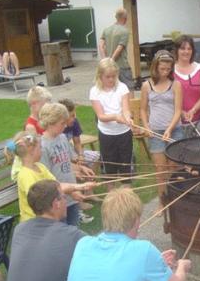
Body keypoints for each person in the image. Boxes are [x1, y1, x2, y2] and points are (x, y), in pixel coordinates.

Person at [62, 187, 192, 281]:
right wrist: (181, 266)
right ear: (136, 220)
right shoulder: (144, 250)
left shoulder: (83, 244)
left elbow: (113, 270)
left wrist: (157, 263)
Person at [0, 180, 86, 281]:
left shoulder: (19, 229)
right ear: (56, 204)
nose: (66, 200)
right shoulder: (73, 236)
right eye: (64, 196)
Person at [4, 131, 94, 222]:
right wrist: (77, 187)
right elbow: (40, 197)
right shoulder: (25, 175)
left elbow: (56, 185)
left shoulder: (40, 166)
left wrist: (75, 190)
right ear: (31, 150)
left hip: (47, 217)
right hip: (35, 222)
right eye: (40, 148)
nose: (41, 150)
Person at [39, 103, 96, 226]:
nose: (65, 126)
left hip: (71, 194)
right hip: (56, 200)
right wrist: (71, 192)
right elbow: (47, 181)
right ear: (50, 122)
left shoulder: (63, 138)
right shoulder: (43, 147)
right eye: (62, 123)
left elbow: (67, 161)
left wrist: (81, 168)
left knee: (73, 228)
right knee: (61, 231)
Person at [140, 50, 183, 202]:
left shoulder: (176, 85)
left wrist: (170, 129)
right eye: (162, 68)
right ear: (155, 67)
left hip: (175, 131)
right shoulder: (147, 85)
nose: (165, 72)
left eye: (168, 69)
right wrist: (146, 126)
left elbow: (178, 111)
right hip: (155, 132)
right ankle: (162, 201)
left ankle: (175, 200)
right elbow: (143, 109)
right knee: (160, 170)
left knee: (174, 168)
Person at [90, 57, 134, 190]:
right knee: (109, 166)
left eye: (113, 76)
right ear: (100, 76)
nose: (111, 80)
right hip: (107, 134)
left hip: (124, 133)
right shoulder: (95, 91)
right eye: (107, 77)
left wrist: (128, 118)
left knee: (126, 164)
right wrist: (116, 116)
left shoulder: (122, 87)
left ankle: (127, 194)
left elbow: (126, 109)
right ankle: (112, 196)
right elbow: (101, 116)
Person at [59, 98, 100, 224]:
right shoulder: (59, 130)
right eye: (71, 115)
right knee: (75, 169)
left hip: (73, 153)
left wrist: (81, 156)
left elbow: (77, 142)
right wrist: (76, 163)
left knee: (96, 156)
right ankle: (79, 202)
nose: (74, 117)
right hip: (65, 159)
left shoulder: (74, 123)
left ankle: (88, 192)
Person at [11, 86, 52, 182]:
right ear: (34, 104)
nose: (48, 106)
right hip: (35, 165)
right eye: (45, 103)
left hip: (45, 159)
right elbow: (33, 151)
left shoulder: (43, 120)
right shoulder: (30, 126)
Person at [173, 35, 200, 138]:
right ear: (177, 50)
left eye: (189, 49)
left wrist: (193, 110)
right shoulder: (170, 70)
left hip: (198, 120)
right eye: (182, 48)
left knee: (199, 151)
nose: (186, 52)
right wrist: (181, 112)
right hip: (176, 121)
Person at [99, 8, 135, 91]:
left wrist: (105, 61)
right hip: (122, 66)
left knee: (112, 89)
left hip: (108, 68)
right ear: (125, 18)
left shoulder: (106, 29)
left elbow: (101, 45)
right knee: (129, 89)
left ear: (116, 17)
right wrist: (111, 61)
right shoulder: (125, 31)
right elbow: (120, 48)